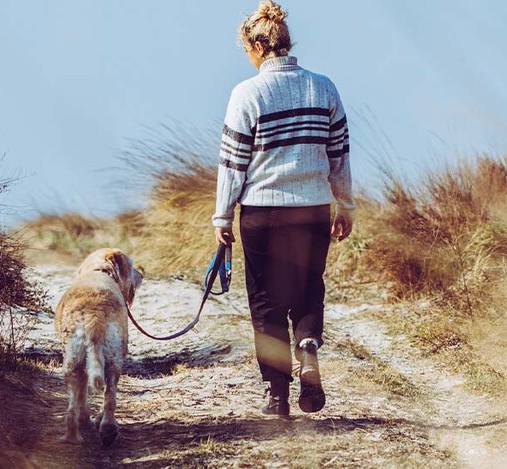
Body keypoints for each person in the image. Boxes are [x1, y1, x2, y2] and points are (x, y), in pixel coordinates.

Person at [211, 0, 353, 418]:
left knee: (266, 303)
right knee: (309, 287)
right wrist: (344, 203)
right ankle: (307, 349)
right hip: (312, 208)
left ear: (258, 45)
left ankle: (277, 394)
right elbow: (339, 152)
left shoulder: (247, 93)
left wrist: (222, 216)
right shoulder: (323, 87)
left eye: (248, 50)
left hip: (263, 213)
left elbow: (232, 164)